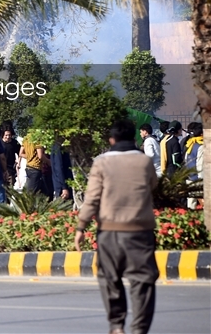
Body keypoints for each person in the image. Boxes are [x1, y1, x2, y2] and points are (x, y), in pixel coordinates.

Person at [75, 120, 158, 334]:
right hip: (140, 231)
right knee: (143, 281)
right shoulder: (144, 161)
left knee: (109, 278)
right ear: (134, 138)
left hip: (109, 232)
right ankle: (139, 329)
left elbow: (92, 198)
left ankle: (116, 326)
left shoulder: (101, 162)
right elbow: (153, 185)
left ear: (111, 140)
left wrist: (81, 226)